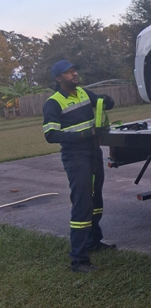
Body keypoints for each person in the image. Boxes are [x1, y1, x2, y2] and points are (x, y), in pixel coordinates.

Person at [42, 60, 117, 272]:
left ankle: (94, 243)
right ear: (58, 79)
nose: (74, 74)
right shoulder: (53, 103)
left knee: (96, 200)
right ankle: (79, 259)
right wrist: (83, 134)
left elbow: (101, 103)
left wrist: (106, 101)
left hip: (93, 152)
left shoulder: (84, 93)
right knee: (82, 203)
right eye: (68, 72)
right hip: (76, 157)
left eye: (74, 70)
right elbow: (50, 134)